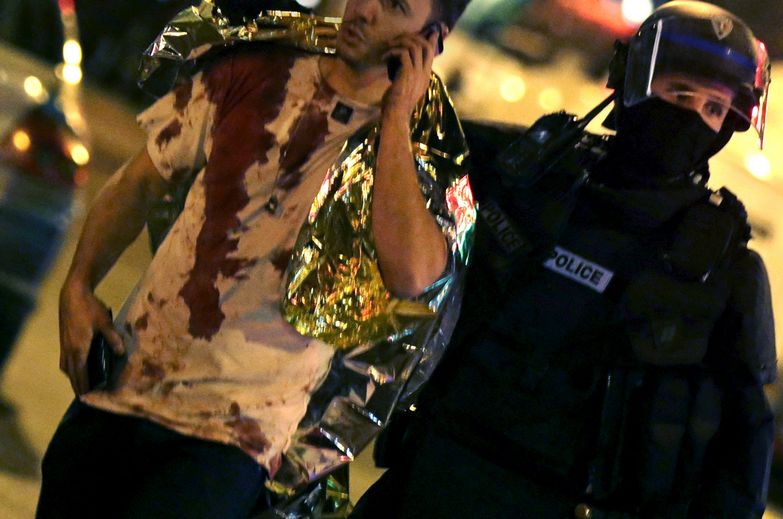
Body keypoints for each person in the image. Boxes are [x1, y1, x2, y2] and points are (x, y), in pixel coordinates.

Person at [36, 0, 474, 516]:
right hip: (122, 387)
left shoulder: (421, 155)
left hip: (231, 441)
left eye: (396, 6)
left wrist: (396, 115)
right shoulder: (259, 70)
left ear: (430, 40)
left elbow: (413, 275)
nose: (367, 9)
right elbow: (139, 182)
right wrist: (79, 286)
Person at [352, 1, 776, 517]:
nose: (690, 118)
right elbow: (406, 155)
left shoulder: (722, 266)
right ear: (631, 82)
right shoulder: (530, 174)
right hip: (432, 474)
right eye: (679, 93)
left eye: (713, 108)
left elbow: (741, 450)